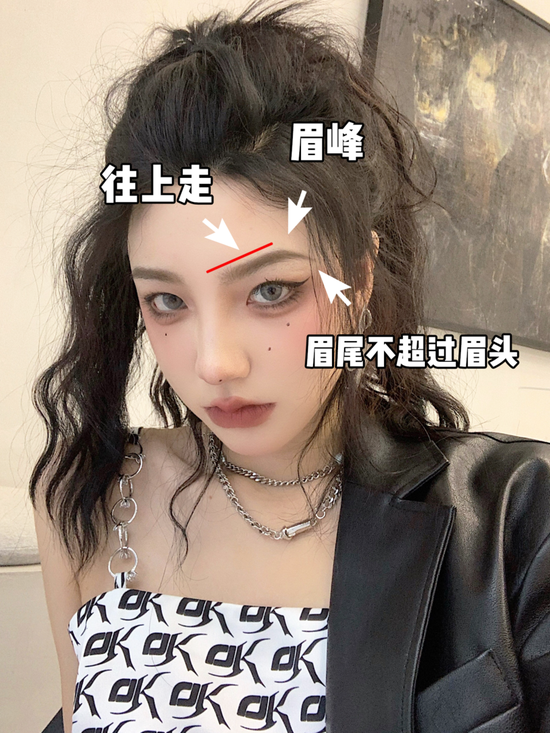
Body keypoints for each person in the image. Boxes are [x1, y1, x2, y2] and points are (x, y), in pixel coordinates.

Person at [30, 1, 550, 732]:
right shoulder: (84, 493)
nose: (215, 363)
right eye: (168, 301)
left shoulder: (517, 521)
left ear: (359, 278)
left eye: (271, 290)